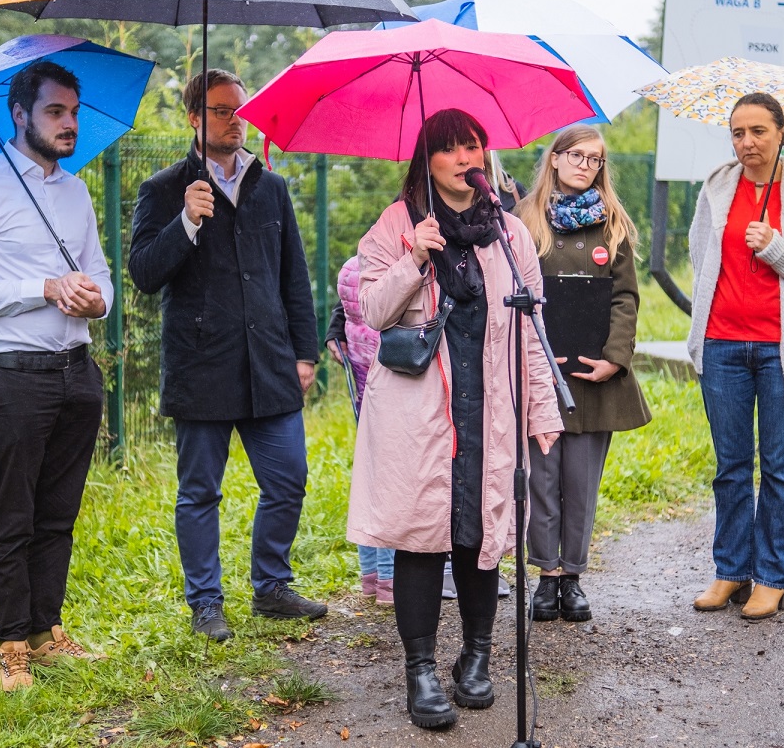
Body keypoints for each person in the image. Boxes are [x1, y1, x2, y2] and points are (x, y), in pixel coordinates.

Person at [347, 108, 563, 729]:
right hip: (421, 410)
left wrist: (542, 407)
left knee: (480, 534)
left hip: (490, 401)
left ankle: (477, 656)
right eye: (451, 149)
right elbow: (371, 312)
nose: (466, 159)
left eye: (474, 146)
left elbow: (533, 326)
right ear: (428, 160)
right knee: (422, 536)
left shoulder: (509, 231)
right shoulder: (395, 224)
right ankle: (420, 669)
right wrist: (414, 257)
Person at [128, 69, 327, 644]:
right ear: (194, 118)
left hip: (270, 364)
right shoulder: (164, 189)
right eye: (221, 110)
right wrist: (186, 221)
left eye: (241, 109)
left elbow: (294, 276)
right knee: (200, 493)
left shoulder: (272, 187)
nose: (235, 119)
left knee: (288, 480)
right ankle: (206, 604)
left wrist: (304, 352)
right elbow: (142, 274)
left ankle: (270, 587)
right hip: (201, 366)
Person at [0, 60, 110, 692]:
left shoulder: (76, 191)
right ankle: (11, 645)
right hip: (12, 376)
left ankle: (45, 631)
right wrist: (42, 288)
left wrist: (99, 300)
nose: (69, 124)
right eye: (54, 112)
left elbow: (101, 272)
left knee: (58, 513)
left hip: (76, 371)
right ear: (20, 115)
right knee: (11, 514)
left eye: (73, 112)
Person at [687, 92, 784, 620]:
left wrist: (775, 248)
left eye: (758, 131)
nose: (747, 142)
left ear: (782, 133)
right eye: (737, 132)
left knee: (781, 469)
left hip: (783, 350)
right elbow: (700, 258)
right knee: (730, 467)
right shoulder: (717, 187)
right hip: (723, 345)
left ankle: (772, 578)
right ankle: (731, 571)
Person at [516, 124, 653, 623]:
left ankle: (572, 576)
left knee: (580, 482)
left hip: (593, 378)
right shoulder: (523, 221)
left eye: (595, 159)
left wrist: (615, 358)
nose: (584, 165)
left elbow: (625, 297)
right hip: (540, 373)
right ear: (553, 159)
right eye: (575, 155)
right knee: (541, 480)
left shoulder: (613, 222)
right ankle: (545, 578)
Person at [324, 255, 395, 605]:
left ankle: (372, 575)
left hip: (364, 395)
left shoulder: (351, 271)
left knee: (370, 479)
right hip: (396, 396)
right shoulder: (393, 272)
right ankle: (390, 579)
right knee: (394, 485)